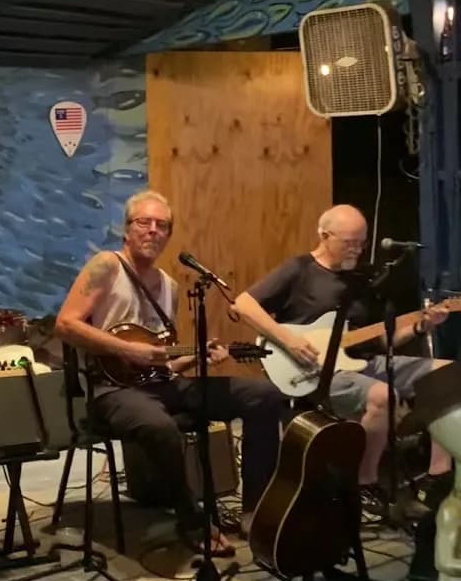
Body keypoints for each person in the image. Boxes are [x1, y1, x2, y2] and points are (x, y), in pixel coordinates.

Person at [55, 189, 284, 546]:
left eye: (162, 226)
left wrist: (196, 356)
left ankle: (254, 511)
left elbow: (164, 360)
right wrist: (126, 350)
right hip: (113, 391)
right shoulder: (106, 266)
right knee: (159, 426)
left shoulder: (170, 286)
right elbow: (65, 324)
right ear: (127, 230)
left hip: (162, 383)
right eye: (144, 222)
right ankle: (192, 521)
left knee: (265, 395)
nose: (152, 231)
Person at [232, 204, 450, 497]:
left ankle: (439, 478)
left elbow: (382, 341)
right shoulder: (299, 269)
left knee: (448, 375)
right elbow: (243, 304)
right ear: (324, 235)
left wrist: (421, 327)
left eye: (361, 243)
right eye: (349, 243)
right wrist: (288, 339)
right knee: (383, 397)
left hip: (363, 363)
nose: (356, 250)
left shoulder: (362, 280)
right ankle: (365, 481)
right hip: (316, 371)